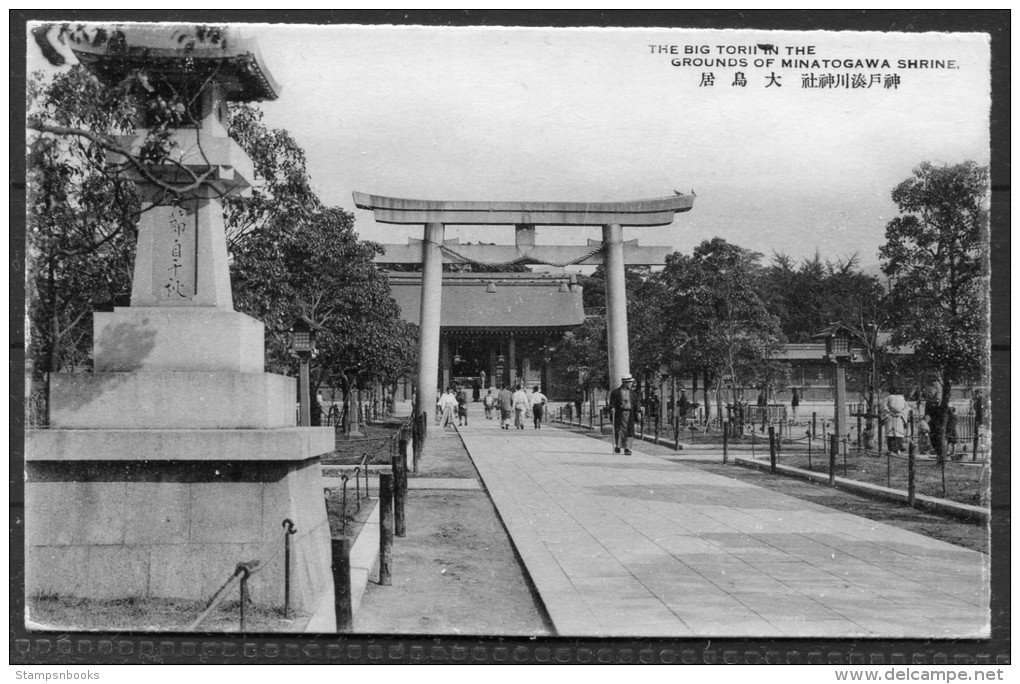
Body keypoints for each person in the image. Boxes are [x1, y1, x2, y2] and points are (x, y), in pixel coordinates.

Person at [609, 374, 642, 455]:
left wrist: (638, 412)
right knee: (620, 430)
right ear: (624, 382)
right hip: (620, 414)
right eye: (629, 382)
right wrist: (612, 408)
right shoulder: (616, 392)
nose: (631, 384)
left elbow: (637, 404)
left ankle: (627, 448)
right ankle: (618, 446)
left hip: (630, 414)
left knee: (630, 431)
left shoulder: (633, 393)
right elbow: (612, 403)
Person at [883, 386, 908, 454]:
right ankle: (898, 449)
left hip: (891, 416)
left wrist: (890, 412)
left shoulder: (888, 398)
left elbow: (884, 407)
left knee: (891, 434)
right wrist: (901, 414)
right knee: (897, 434)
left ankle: (892, 450)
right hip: (898, 417)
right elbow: (906, 408)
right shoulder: (902, 398)